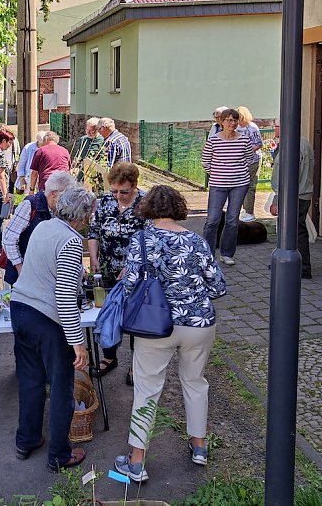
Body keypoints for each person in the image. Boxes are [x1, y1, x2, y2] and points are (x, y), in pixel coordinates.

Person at [114, 185, 226, 482]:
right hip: (199, 324)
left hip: (155, 326)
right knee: (195, 382)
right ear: (179, 207)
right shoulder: (197, 240)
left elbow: (130, 287)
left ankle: (136, 462)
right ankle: (199, 447)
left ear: (148, 208)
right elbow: (218, 287)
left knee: (147, 388)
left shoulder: (141, 239)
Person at [10, 186, 95, 473]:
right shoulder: (72, 241)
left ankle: (27, 440)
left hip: (20, 308)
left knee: (31, 380)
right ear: (82, 217)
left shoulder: (45, 226)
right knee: (61, 387)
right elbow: (65, 297)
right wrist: (78, 343)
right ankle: (59, 454)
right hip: (46, 319)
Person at [87, 162, 146, 376]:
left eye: (124, 192)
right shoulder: (104, 202)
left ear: (134, 185)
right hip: (108, 268)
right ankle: (109, 357)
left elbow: (149, 240)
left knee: (134, 317)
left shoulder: (146, 204)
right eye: (114, 191)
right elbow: (93, 231)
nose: (118, 196)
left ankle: (135, 365)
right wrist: (93, 257)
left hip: (137, 271)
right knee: (106, 311)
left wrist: (132, 264)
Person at [2, 171, 77, 285]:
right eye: (65, 196)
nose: (67, 201)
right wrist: (20, 268)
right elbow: (9, 238)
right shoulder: (30, 204)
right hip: (22, 275)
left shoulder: (59, 211)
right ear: (53, 194)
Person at [201, 107, 253, 265]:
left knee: (232, 220)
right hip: (218, 184)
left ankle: (227, 253)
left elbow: (249, 160)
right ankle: (208, 254)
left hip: (239, 184)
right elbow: (205, 162)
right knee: (213, 219)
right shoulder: (214, 140)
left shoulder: (244, 139)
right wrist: (218, 173)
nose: (232, 123)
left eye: (235, 120)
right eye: (229, 120)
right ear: (221, 122)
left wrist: (238, 172)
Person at [270, 137, 314, 279]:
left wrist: (277, 199)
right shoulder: (304, 143)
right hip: (303, 192)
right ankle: (290, 262)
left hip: (293, 194)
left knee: (295, 231)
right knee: (296, 229)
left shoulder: (290, 145)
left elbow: (285, 174)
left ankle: (302, 268)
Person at [236, 106, 262, 222]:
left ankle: (249, 211)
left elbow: (258, 144)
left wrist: (246, 150)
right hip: (240, 161)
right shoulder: (236, 128)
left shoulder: (252, 128)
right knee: (240, 185)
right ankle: (243, 209)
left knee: (249, 186)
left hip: (252, 160)